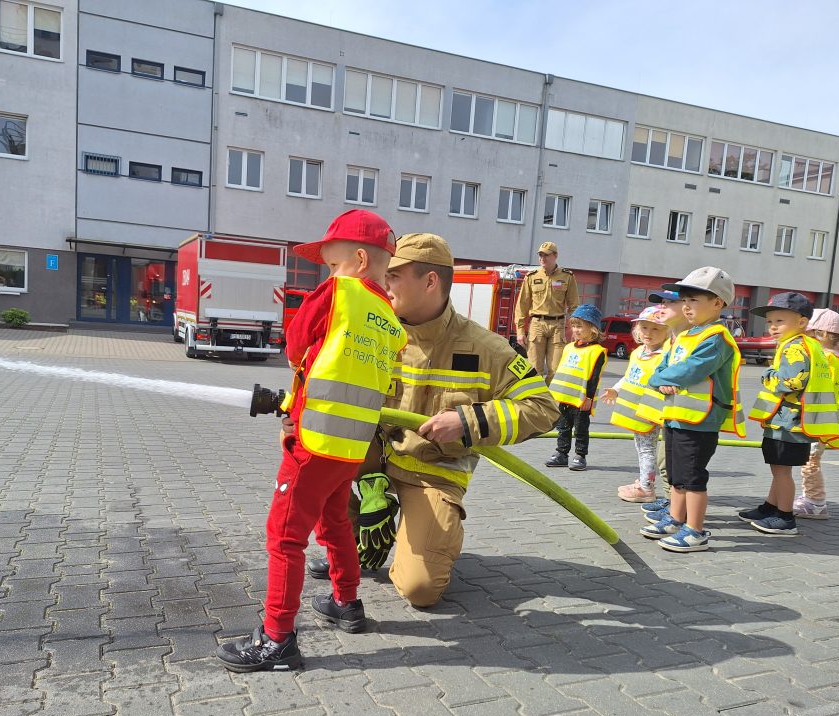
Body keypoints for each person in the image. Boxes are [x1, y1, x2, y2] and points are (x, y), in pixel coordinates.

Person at [307, 233, 560, 608]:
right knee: (313, 461)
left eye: (393, 275)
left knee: (420, 589)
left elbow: (543, 407)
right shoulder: (372, 333)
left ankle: (429, 535)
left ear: (430, 281)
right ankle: (355, 537)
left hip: (433, 471)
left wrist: (468, 421)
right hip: (373, 458)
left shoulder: (486, 348)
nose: (381, 282)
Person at [215, 209, 406, 673]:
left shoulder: (337, 292)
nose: (330, 272)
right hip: (351, 448)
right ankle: (346, 603)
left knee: (284, 537)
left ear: (360, 259)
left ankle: (277, 639)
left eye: (334, 263)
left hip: (314, 443)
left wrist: (299, 404)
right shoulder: (390, 319)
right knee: (335, 521)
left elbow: (296, 346)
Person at [637, 267, 744, 552]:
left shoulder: (716, 337)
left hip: (700, 420)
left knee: (693, 476)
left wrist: (660, 379)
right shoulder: (685, 336)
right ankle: (676, 519)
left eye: (693, 300)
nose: (686, 306)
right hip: (677, 416)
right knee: (676, 475)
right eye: (684, 300)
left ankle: (696, 531)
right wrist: (660, 378)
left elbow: (691, 369)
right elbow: (664, 364)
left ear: (718, 303)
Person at [741, 292, 839, 536]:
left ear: (802, 322)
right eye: (770, 322)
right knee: (779, 469)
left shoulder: (795, 347)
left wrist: (768, 375)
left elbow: (792, 382)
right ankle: (770, 507)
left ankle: (785, 518)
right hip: (788, 421)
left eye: (780, 321)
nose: (773, 327)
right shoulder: (805, 344)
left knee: (782, 471)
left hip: (788, 422)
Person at [794, 308, 839, 520]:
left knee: (810, 462)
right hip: (823, 419)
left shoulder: (825, 358)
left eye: (806, 333)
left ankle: (815, 503)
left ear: (820, 334)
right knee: (810, 460)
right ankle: (811, 499)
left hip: (819, 420)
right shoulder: (833, 357)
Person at [601, 305, 671, 503]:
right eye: (644, 328)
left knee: (647, 449)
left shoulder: (665, 356)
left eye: (655, 328)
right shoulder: (638, 352)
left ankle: (646, 488)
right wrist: (616, 389)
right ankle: (644, 481)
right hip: (635, 411)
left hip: (650, 412)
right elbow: (629, 376)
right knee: (641, 447)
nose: (648, 333)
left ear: (667, 332)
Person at [640, 290, 692, 522]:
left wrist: (663, 379)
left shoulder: (692, 338)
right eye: (662, 302)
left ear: (687, 306)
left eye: (669, 302)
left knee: (679, 468)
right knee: (666, 462)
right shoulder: (676, 338)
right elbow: (660, 373)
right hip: (670, 412)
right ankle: (672, 503)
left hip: (688, 416)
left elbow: (683, 372)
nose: (662, 307)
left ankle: (678, 511)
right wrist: (662, 379)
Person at [544, 304, 606, 471]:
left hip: (581, 400)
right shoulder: (569, 347)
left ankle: (580, 455)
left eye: (580, 326)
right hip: (565, 398)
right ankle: (561, 453)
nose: (575, 330)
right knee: (563, 427)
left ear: (593, 328)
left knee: (581, 429)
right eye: (574, 326)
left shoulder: (597, 351)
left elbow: (594, 377)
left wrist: (589, 398)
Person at [513, 242, 579, 383]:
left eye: (546, 255)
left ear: (555, 256)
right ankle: (536, 396)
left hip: (558, 326)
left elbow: (574, 306)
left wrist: (575, 329)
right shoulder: (531, 276)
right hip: (537, 325)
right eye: (540, 255)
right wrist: (520, 331)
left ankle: (550, 397)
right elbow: (522, 305)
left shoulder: (567, 276)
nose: (542, 258)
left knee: (556, 370)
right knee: (534, 370)